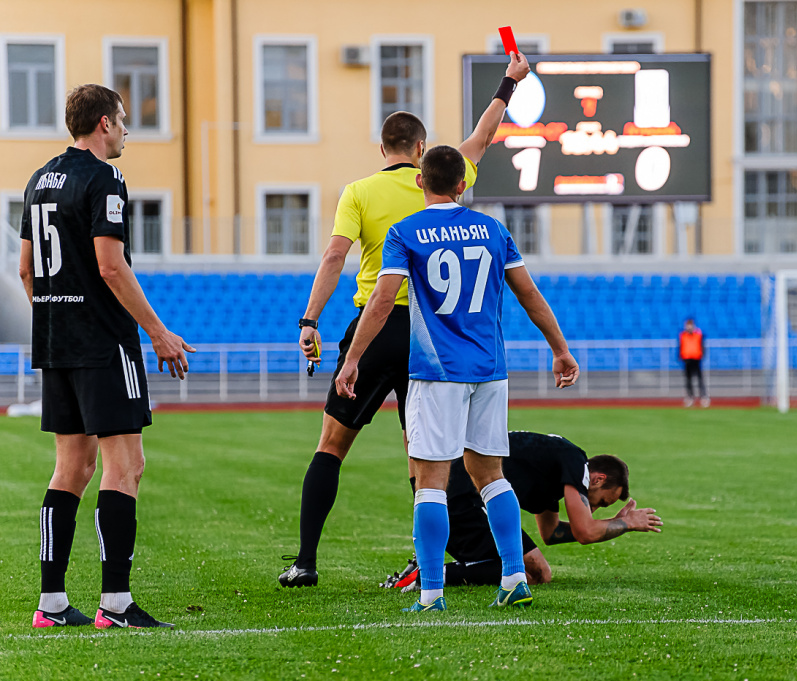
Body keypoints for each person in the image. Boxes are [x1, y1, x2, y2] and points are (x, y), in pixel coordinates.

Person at [278, 53, 531, 588]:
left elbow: (333, 257)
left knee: (331, 447)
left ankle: (305, 561)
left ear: (383, 150)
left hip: (374, 329)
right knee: (429, 462)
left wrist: (310, 320)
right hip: (431, 336)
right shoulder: (440, 176)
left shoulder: (359, 191)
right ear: (422, 153)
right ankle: (430, 567)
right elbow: (484, 135)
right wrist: (508, 81)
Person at [336, 144, 579, 613]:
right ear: (462, 184)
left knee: (430, 482)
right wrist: (560, 349)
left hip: (436, 371)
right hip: (490, 370)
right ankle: (513, 576)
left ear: (420, 182)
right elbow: (528, 293)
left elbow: (383, 301)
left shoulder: (404, 231)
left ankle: (430, 593)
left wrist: (353, 360)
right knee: (492, 477)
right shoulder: (492, 229)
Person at [18, 84, 194, 629]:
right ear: (101, 124)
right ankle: (115, 603)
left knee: (70, 468)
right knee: (126, 466)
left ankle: (51, 604)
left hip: (55, 341)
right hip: (102, 343)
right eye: (121, 121)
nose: (126, 133)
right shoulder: (105, 177)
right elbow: (111, 266)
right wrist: (160, 334)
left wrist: (57, 317)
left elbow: (25, 270)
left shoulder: (38, 179)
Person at [381, 431, 662, 590]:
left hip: (466, 496)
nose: (596, 507)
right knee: (526, 572)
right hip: (460, 498)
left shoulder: (555, 473)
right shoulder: (576, 464)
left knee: (539, 573)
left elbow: (551, 533)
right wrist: (625, 524)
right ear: (598, 478)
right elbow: (585, 531)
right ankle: (429, 573)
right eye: (602, 501)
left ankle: (428, 566)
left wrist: (612, 522)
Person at [679, 318, 708, 407]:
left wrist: (701, 355)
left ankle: (703, 397)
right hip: (687, 359)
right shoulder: (683, 335)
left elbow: (702, 345)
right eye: (687, 325)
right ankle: (690, 397)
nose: (688, 327)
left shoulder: (698, 334)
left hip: (696, 358)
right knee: (688, 380)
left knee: (699, 379)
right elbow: (681, 346)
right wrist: (681, 356)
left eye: (690, 325)